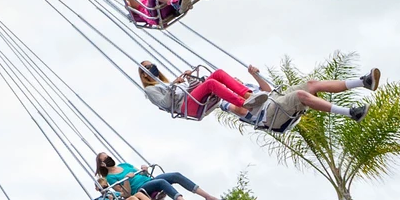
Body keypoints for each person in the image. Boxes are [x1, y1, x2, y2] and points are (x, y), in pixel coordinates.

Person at [238, 64, 381, 133]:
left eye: (236, 78)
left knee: (312, 84)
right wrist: (244, 102)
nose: (236, 79)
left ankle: (364, 82)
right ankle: (351, 113)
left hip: (274, 99)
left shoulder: (247, 86)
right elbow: (241, 111)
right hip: (268, 116)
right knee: (300, 95)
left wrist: (255, 75)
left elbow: (268, 91)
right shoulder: (229, 100)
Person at [135, 61, 258, 122]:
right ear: (143, 74)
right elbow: (165, 104)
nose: (152, 68)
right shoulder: (150, 89)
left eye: (152, 65)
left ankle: (248, 95)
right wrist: (173, 86)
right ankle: (244, 103)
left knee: (218, 73)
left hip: (191, 98)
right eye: (148, 67)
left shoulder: (165, 83)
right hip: (185, 107)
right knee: (211, 83)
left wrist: (189, 78)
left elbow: (190, 90)